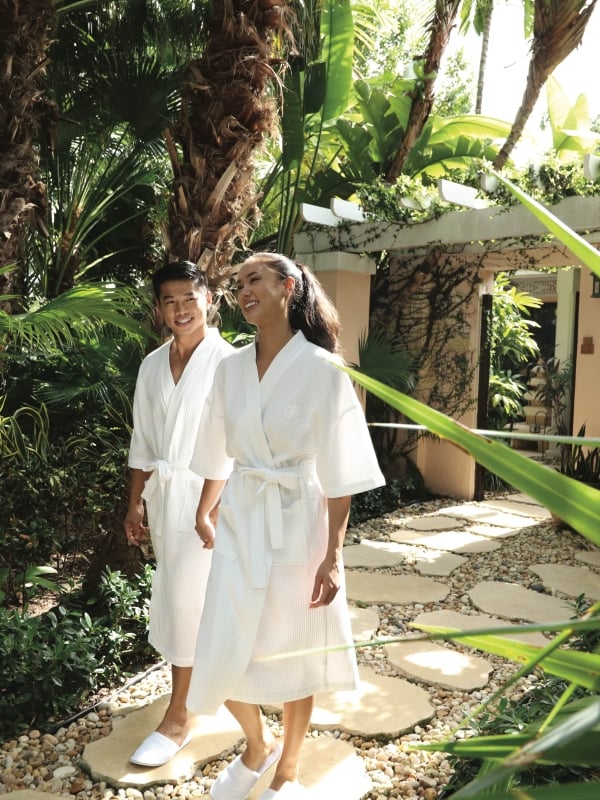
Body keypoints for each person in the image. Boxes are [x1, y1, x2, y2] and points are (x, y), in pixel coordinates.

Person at [189, 252, 385, 799]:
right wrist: (205, 507)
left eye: (254, 279)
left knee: (295, 646)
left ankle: (288, 769)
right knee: (220, 644)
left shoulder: (323, 369)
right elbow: (214, 450)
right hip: (243, 515)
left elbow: (341, 467)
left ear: (288, 285)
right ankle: (257, 744)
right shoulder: (229, 368)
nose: (243, 290)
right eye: (237, 284)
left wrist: (335, 552)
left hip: (298, 520)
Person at [123, 260, 233, 767]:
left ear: (208, 298)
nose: (180, 309)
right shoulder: (150, 366)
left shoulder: (232, 362)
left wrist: (206, 510)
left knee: (189, 600)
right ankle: (217, 694)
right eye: (170, 301)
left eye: (189, 297)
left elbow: (233, 445)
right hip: (167, 499)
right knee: (181, 593)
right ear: (159, 309)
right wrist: (134, 502)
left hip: (214, 501)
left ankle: (180, 716)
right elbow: (143, 441)